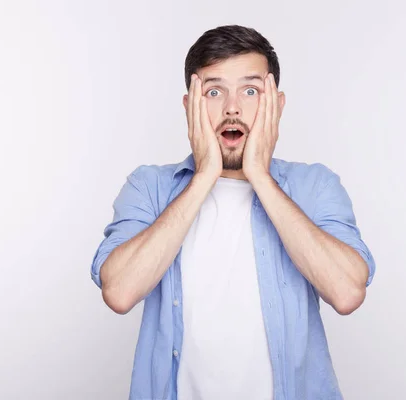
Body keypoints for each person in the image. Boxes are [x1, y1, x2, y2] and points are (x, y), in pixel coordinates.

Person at [90, 24, 376, 400]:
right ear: (189, 105)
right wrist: (205, 174)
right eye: (213, 91)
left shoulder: (315, 186)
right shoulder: (149, 187)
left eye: (251, 90)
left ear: (277, 103)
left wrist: (259, 174)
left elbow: (347, 293)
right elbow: (120, 292)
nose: (232, 108)